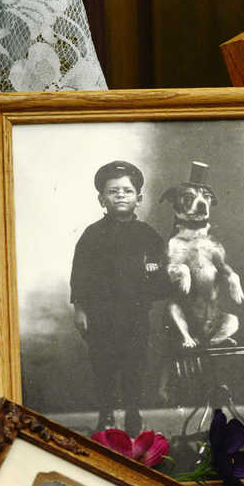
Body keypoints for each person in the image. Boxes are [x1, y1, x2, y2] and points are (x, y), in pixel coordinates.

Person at [70, 160, 166, 434]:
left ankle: (134, 411)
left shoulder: (149, 236)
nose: (121, 195)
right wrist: (80, 309)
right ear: (102, 199)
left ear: (139, 198)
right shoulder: (92, 235)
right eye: (113, 191)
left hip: (135, 315)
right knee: (104, 365)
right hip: (101, 316)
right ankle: (107, 413)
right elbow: (80, 275)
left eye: (127, 190)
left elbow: (160, 274)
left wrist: (161, 274)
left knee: (135, 364)